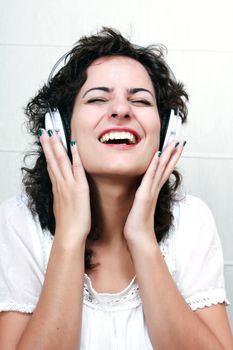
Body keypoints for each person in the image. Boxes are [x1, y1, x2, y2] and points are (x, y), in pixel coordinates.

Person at [0, 28, 232, 350]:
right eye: (97, 98)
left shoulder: (192, 220)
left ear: (165, 133)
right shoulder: (18, 221)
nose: (121, 110)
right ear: (60, 128)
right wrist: (69, 235)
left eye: (139, 100)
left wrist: (141, 237)